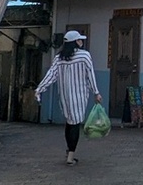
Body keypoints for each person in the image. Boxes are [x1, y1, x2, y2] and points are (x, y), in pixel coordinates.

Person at [35, 30, 102, 165]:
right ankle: (71, 156)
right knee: (75, 124)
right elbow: (90, 75)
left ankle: (69, 151)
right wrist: (96, 92)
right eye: (79, 40)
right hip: (79, 96)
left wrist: (39, 89)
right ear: (75, 42)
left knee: (70, 122)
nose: (81, 41)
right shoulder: (84, 55)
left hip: (65, 96)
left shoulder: (59, 58)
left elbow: (51, 75)